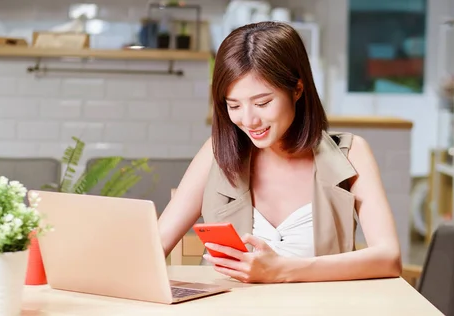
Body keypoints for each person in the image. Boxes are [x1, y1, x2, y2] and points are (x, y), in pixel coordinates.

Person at [158, 21, 401, 284]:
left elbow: (388, 258)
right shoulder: (216, 154)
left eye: (262, 102)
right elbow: (155, 246)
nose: (249, 120)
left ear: (297, 89)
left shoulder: (350, 154)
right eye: (234, 105)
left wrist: (281, 271)